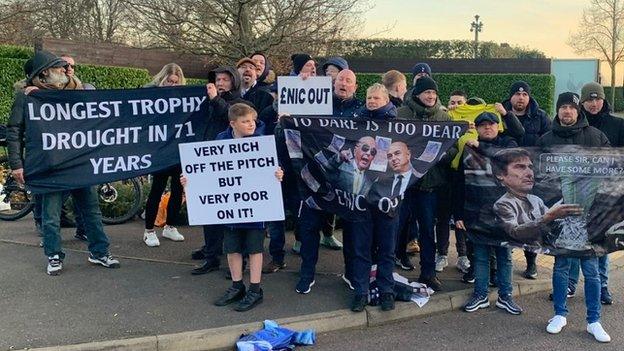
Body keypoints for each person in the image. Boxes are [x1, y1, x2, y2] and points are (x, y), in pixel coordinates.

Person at [7, 50, 120, 275]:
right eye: (58, 67)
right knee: (50, 216)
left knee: (91, 211)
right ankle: (54, 255)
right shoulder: (26, 97)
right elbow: (14, 131)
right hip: (49, 166)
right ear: (45, 72)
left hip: (78, 164)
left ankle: (100, 252)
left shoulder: (74, 91)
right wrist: (17, 164)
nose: (64, 70)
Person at [182, 103, 282, 312]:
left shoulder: (261, 142)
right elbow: (208, 170)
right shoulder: (221, 140)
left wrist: (278, 174)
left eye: (252, 120)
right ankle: (236, 286)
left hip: (255, 208)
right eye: (245, 121)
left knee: (255, 249)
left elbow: (272, 168)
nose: (251, 124)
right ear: (232, 123)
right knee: (232, 248)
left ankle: (255, 290)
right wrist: (189, 180)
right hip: (230, 208)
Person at [537, 92, 611, 343]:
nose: (567, 111)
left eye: (571, 107)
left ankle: (594, 320)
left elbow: (612, 167)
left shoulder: (595, 137)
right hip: (561, 214)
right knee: (560, 267)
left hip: (590, 215)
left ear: (578, 111)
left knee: (591, 270)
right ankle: (559, 314)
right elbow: (539, 174)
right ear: (557, 111)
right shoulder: (547, 138)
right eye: (563, 107)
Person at [294, 69, 363, 295]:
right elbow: (293, 115)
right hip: (316, 176)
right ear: (333, 83)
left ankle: (351, 273)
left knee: (352, 229)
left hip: (348, 181)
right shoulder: (317, 102)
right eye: (340, 79)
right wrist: (299, 87)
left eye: (349, 81)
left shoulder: (362, 110)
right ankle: (307, 274)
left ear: (355, 86)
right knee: (309, 226)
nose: (344, 83)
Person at [565, 82, 624, 304]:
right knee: (572, 239)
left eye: (597, 99)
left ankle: (603, 286)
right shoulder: (575, 124)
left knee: (601, 243)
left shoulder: (618, 125)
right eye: (589, 100)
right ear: (582, 102)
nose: (593, 103)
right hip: (577, 193)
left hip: (607, 195)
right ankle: (570, 284)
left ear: (603, 100)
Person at [396, 76, 457, 291]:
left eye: (433, 93)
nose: (430, 96)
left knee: (426, 230)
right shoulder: (401, 114)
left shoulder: (444, 117)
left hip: (429, 185)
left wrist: (438, 156)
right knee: (395, 226)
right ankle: (388, 266)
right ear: (417, 94)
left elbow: (453, 148)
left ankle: (428, 273)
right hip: (403, 183)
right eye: (426, 92)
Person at [459, 112, 523, 315]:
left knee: (505, 256)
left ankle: (506, 296)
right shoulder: (468, 150)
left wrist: (482, 147)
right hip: (476, 213)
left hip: (504, 214)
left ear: (499, 126)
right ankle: (480, 295)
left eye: (492, 124)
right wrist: (457, 213)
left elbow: (506, 155)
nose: (488, 128)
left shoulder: (508, 144)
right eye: (483, 125)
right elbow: (458, 182)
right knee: (480, 257)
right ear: (476, 129)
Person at [347, 83, 399, 312]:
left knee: (387, 248)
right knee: (361, 247)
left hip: (388, 196)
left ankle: (387, 290)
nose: (371, 102)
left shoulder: (399, 125)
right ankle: (361, 291)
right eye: (368, 98)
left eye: (376, 98)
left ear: (386, 99)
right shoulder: (355, 120)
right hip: (361, 196)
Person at [191, 65, 245, 275]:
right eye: (217, 79)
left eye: (224, 79)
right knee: (210, 212)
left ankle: (236, 259)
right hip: (208, 161)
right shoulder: (208, 99)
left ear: (233, 81)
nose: (220, 83)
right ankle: (211, 255)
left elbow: (229, 115)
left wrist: (215, 99)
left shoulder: (238, 101)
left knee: (232, 215)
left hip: (230, 165)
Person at [502, 81, 551, 279]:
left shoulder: (541, 117)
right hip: (506, 175)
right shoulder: (500, 113)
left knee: (529, 219)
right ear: (511, 97)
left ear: (528, 97)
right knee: (506, 216)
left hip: (531, 176)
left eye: (524, 95)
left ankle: (531, 263)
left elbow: (549, 142)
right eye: (517, 94)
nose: (520, 98)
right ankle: (503, 262)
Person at [141, 63, 187, 247]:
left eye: (176, 82)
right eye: (170, 81)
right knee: (157, 189)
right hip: (160, 150)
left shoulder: (183, 97)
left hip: (178, 149)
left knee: (178, 189)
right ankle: (149, 230)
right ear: (162, 79)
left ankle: (170, 226)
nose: (173, 85)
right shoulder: (150, 93)